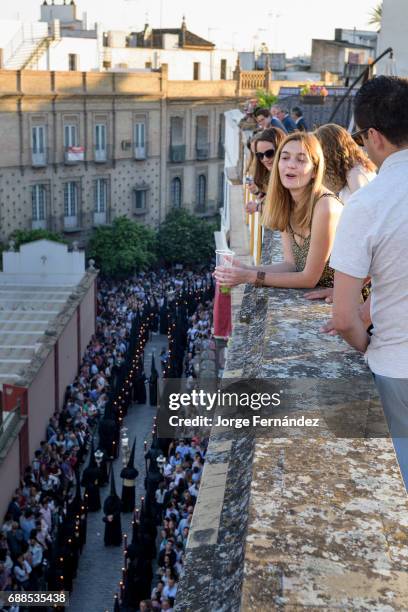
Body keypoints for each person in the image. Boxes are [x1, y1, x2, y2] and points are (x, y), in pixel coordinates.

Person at [328, 75, 408, 488]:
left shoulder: (368, 203)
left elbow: (343, 318)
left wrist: (369, 344)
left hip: (398, 368)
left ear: (374, 136)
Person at [215, 132, 343, 289]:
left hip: (348, 304)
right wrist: (245, 269)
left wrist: (249, 276)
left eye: (301, 159)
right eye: (285, 157)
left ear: (315, 171)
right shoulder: (286, 204)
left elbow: (309, 279)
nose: (290, 164)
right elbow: (290, 265)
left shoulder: (325, 206)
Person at [305, 123, 376, 304]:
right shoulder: (353, 172)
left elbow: (369, 231)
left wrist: (347, 288)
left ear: (328, 149)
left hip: (365, 274)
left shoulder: (356, 175)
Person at [245, 127, 286, 214]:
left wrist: (258, 207)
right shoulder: (269, 174)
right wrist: (260, 193)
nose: (265, 159)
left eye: (269, 153)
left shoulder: (287, 176)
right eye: (260, 155)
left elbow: (282, 209)